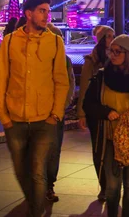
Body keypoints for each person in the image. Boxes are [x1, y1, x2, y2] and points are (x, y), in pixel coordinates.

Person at [0, 0, 69, 217]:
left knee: (37, 172)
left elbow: (61, 81)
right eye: (42, 11)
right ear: (29, 14)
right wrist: (4, 116)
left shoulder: (55, 41)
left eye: (48, 11)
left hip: (44, 119)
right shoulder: (9, 41)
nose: (47, 15)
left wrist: (55, 114)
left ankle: (35, 213)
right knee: (21, 171)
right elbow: (1, 79)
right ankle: (33, 204)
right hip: (15, 118)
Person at [83, 35, 129, 217]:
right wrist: (105, 112)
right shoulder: (101, 76)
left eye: (118, 52)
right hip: (110, 137)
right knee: (113, 185)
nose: (113, 55)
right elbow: (88, 104)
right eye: (111, 51)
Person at [77, 24, 114, 200]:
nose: (111, 39)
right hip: (96, 110)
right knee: (99, 149)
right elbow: (84, 87)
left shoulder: (118, 58)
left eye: (113, 36)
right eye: (108, 36)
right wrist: (81, 113)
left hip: (113, 110)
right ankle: (104, 185)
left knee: (114, 147)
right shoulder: (91, 61)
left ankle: (113, 183)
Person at [45, 23, 76, 203]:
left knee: (53, 150)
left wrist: (62, 106)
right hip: (39, 111)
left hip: (55, 112)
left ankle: (49, 184)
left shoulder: (64, 60)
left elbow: (70, 84)